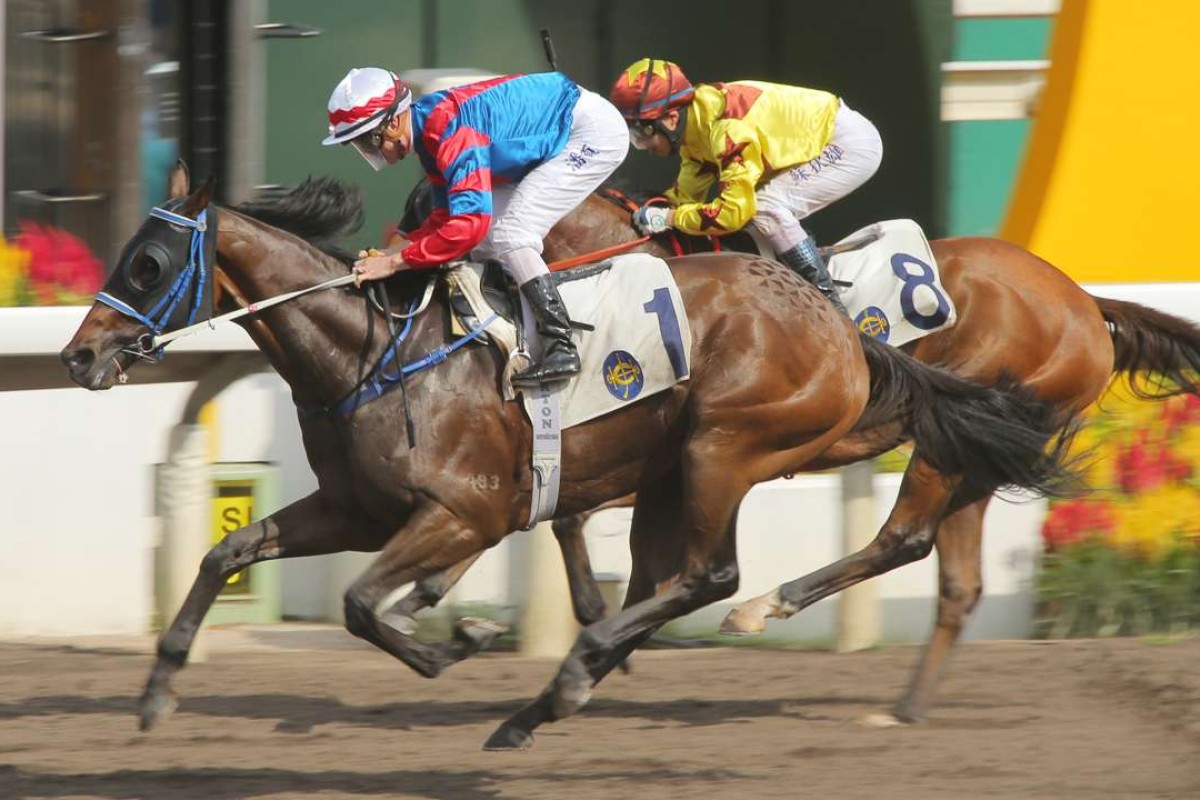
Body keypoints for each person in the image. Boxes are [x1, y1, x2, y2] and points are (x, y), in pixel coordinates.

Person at [322, 67, 629, 387]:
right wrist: (394, 251)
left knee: (512, 234)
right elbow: (446, 217)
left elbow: (469, 225)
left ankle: (560, 345)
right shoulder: (429, 134)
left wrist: (394, 262)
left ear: (393, 122)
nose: (370, 154)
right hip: (557, 128)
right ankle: (518, 334)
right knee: (488, 242)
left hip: (589, 132)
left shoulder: (447, 132)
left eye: (368, 142)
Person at [609, 58, 883, 314]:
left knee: (765, 210)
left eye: (642, 135)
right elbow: (684, 198)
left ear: (669, 119)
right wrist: (653, 211)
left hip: (846, 145)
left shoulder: (726, 131)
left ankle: (831, 307)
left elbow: (731, 213)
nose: (643, 148)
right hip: (818, 143)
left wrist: (669, 217)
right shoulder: (696, 131)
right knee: (758, 220)